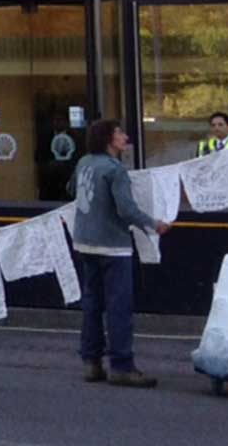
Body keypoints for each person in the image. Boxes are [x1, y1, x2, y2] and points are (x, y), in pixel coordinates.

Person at [68, 118, 172, 388]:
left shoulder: (84, 163)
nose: (125, 136)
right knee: (118, 307)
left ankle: (91, 361)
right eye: (119, 133)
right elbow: (126, 209)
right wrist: (154, 224)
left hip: (84, 241)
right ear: (108, 139)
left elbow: (72, 190)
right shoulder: (115, 170)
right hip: (112, 245)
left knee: (92, 303)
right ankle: (122, 365)